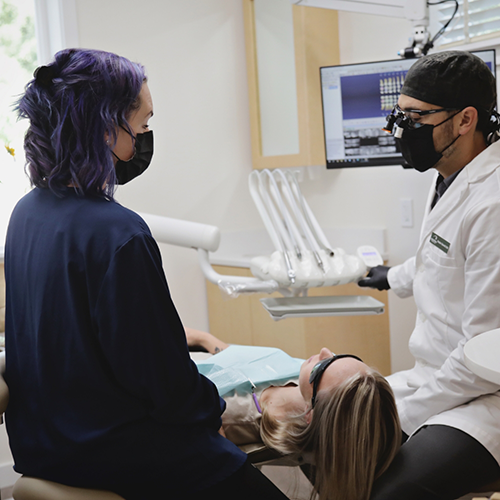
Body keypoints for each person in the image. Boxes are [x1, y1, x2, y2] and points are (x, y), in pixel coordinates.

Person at [4, 48, 289, 500]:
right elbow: (164, 383)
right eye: (141, 125)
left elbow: (75, 330)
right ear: (103, 128)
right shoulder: (118, 232)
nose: (145, 136)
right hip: (118, 452)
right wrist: (211, 409)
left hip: (46, 446)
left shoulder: (26, 213)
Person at [358, 51, 500, 499]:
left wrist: (403, 412)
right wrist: (389, 277)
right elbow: (439, 258)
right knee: (331, 446)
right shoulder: (450, 176)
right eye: (399, 113)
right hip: (439, 378)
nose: (399, 128)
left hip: (485, 398)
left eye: (415, 116)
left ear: (465, 121)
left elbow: (485, 358)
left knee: (391, 492)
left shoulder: (493, 204)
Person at [186, 328, 402, 500]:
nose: (325, 351)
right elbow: (235, 362)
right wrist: (205, 339)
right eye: (338, 357)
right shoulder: (301, 376)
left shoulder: (235, 418)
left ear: (311, 414)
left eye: (323, 367)